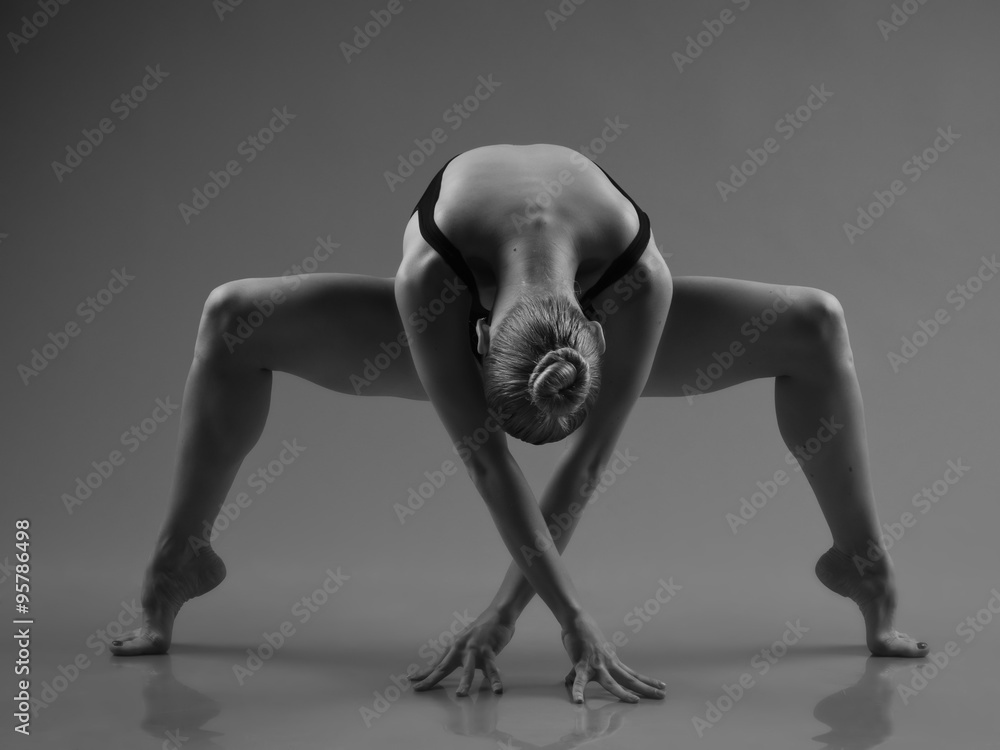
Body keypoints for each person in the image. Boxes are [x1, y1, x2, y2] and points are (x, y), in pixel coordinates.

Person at [110, 144, 928, 704]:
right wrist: (565, 617)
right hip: (476, 286)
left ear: (599, 340)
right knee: (233, 319)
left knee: (815, 326)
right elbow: (484, 459)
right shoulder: (431, 279)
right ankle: (175, 565)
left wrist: (516, 617)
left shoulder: (643, 282)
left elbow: (589, 463)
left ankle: (864, 564)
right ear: (473, 341)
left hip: (583, 293)